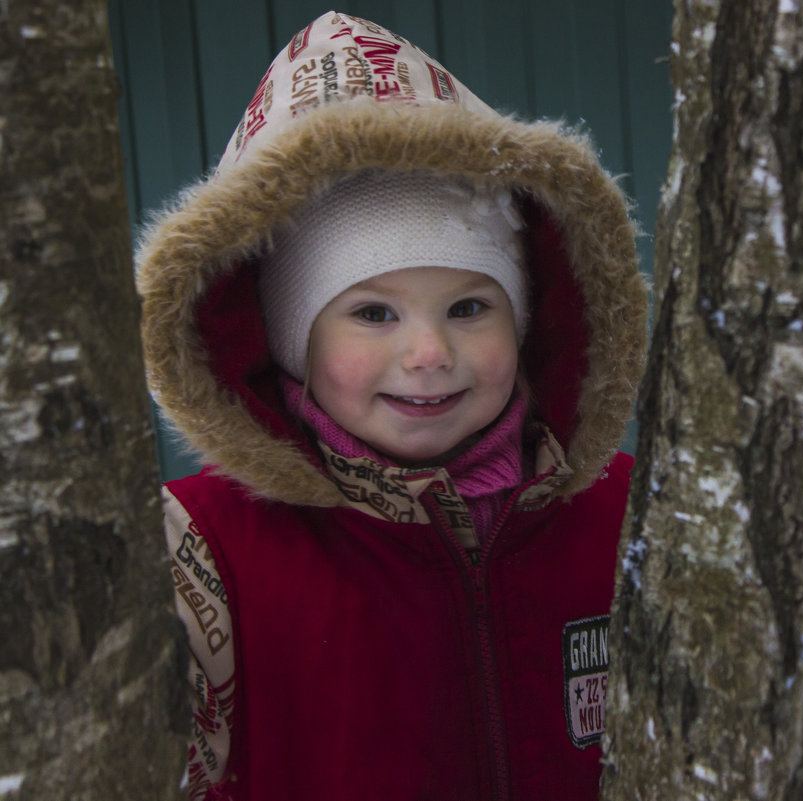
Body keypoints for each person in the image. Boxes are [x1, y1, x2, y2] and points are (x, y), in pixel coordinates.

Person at [136, 11, 647, 801]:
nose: (429, 354)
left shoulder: (629, 510)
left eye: (470, 308)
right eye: (374, 313)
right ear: (288, 340)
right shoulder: (203, 548)